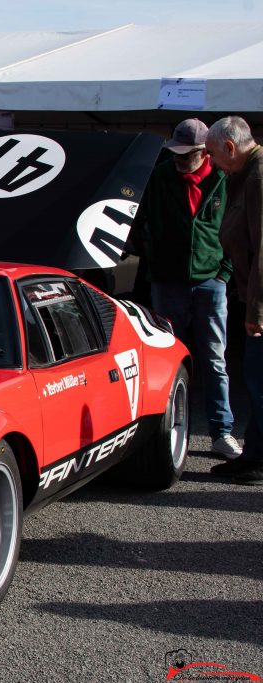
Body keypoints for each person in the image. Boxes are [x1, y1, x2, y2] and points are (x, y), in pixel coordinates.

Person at [129, 118, 241, 459]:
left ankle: (222, 431)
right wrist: (152, 258)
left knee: (213, 359)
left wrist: (224, 273)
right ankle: (164, 431)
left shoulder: (224, 179)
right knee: (167, 359)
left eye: (185, 155)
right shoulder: (161, 177)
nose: (178, 160)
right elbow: (142, 220)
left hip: (210, 282)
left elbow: (238, 230)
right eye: (174, 154)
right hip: (167, 281)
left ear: (202, 151)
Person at [205, 116, 263, 485]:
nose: (210, 162)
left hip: (262, 304)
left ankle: (258, 461)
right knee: (256, 381)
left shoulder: (258, 179)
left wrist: (257, 310)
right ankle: (254, 456)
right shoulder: (246, 176)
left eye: (212, 154)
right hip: (253, 296)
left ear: (229, 147)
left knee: (259, 382)